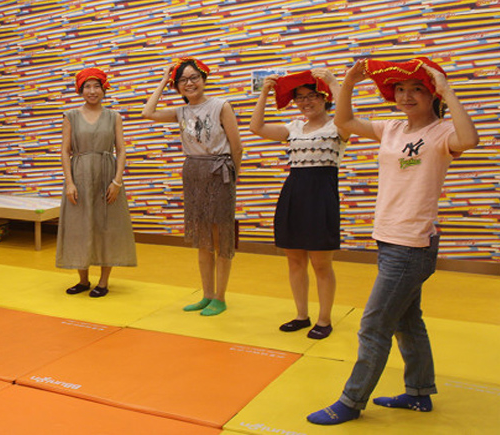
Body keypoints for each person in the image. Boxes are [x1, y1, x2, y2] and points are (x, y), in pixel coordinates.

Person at [307, 57, 479, 425]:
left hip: (412, 245)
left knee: (374, 325)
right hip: (388, 239)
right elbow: (344, 122)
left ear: (432, 94)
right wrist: (347, 83)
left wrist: (447, 89)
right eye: (400, 89)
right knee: (407, 321)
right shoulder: (392, 128)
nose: (406, 95)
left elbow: (469, 139)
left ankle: (351, 401)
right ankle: (418, 392)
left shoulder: (442, 132)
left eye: (416, 89)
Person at [249, 68, 349, 339]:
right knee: (294, 261)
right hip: (293, 194)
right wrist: (265, 92)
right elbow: (256, 127)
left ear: (325, 98)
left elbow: (347, 117)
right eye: (300, 97)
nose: (306, 102)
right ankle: (301, 315)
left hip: (322, 197)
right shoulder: (293, 127)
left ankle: (324, 319)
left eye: (312, 96)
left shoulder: (338, 126)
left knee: (321, 264)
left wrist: (333, 82)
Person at [142, 57, 243, 316]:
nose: (190, 83)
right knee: (202, 240)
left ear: (203, 79)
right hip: (193, 173)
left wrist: (233, 176)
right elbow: (148, 113)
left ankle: (220, 297)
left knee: (220, 239)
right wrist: (164, 81)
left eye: (194, 77)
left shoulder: (221, 106)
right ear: (177, 86)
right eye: (183, 80)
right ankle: (207, 295)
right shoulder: (181, 112)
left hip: (219, 172)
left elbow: (237, 146)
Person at [56, 68, 137, 298]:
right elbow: (65, 151)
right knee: (79, 227)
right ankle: (83, 280)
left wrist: (117, 181)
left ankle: (103, 282)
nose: (92, 91)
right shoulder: (70, 116)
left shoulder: (114, 117)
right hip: (79, 177)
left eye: (96, 86)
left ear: (104, 89)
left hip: (106, 176)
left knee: (106, 227)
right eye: (87, 87)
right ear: (80, 90)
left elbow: (121, 150)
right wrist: (69, 183)